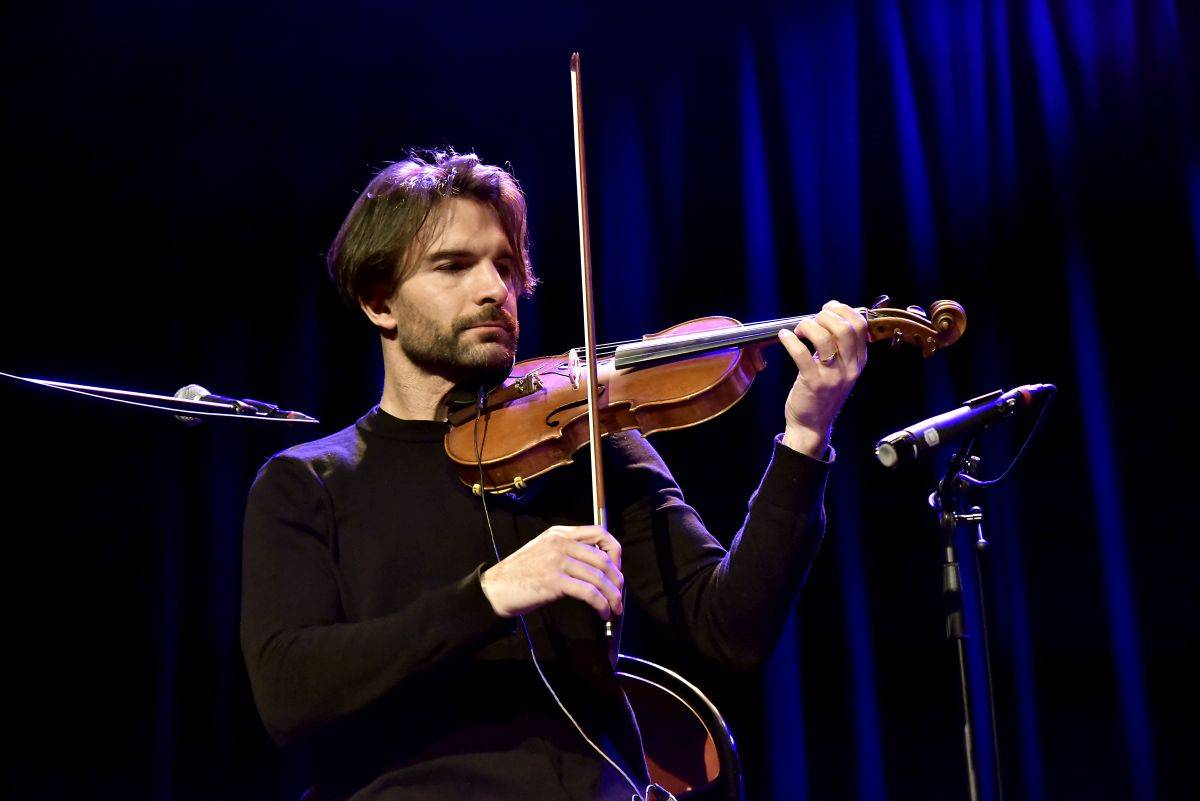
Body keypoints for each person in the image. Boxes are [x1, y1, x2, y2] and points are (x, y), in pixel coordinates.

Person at [240, 150, 868, 801]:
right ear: (378, 302)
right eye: (455, 265)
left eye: (506, 265)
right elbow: (289, 692)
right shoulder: (309, 483)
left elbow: (731, 627)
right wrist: (490, 593)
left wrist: (806, 436)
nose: (494, 288)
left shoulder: (587, 440)